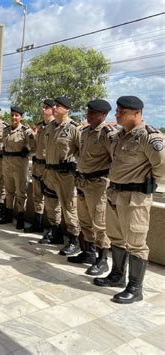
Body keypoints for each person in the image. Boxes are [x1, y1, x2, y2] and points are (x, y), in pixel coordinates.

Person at [94, 96, 165, 304]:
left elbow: (161, 168)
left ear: (136, 114)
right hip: (115, 194)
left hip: (136, 197)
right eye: (117, 111)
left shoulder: (149, 137)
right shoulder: (120, 136)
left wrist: (146, 184)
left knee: (136, 243)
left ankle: (135, 287)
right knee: (116, 237)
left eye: (121, 112)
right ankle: (117, 275)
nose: (116, 114)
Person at [67, 99, 116, 276]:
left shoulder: (108, 134)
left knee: (100, 224)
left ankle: (102, 260)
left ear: (103, 115)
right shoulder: (85, 132)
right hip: (83, 182)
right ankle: (88, 252)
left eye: (93, 113)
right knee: (85, 220)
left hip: (99, 185)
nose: (88, 116)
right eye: (88, 112)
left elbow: (116, 158)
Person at [43, 96, 81, 255]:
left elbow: (82, 152)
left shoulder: (74, 128)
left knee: (69, 207)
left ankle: (74, 240)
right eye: (55, 105)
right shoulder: (50, 126)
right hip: (50, 172)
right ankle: (56, 233)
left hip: (65, 175)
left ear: (67, 109)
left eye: (58, 106)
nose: (55, 108)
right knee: (51, 204)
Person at [0, 106, 35, 229]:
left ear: (21, 117)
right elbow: (3, 145)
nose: (14, 117)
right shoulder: (6, 130)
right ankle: (8, 215)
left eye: (16, 115)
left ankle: (20, 217)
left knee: (21, 192)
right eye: (12, 115)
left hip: (19, 165)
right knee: (8, 191)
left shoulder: (26, 131)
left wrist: (27, 152)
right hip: (7, 164)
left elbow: (34, 147)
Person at [26, 99, 56, 235]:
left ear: (53, 110)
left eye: (46, 108)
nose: (43, 110)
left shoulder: (56, 126)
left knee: (51, 199)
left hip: (49, 167)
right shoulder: (40, 126)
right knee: (37, 197)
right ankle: (37, 224)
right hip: (37, 165)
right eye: (43, 107)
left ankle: (52, 230)